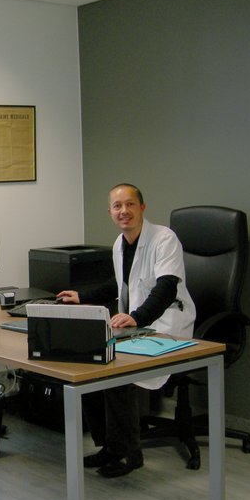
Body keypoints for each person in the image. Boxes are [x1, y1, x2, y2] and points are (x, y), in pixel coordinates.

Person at [57, 183, 196, 478]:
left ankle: (129, 454)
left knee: (117, 373)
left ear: (142, 207)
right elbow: (120, 284)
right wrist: (83, 296)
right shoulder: (120, 244)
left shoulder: (164, 239)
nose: (124, 211)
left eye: (130, 204)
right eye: (117, 206)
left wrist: (136, 317)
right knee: (89, 365)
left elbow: (166, 288)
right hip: (139, 323)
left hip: (168, 325)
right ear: (109, 212)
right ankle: (109, 446)